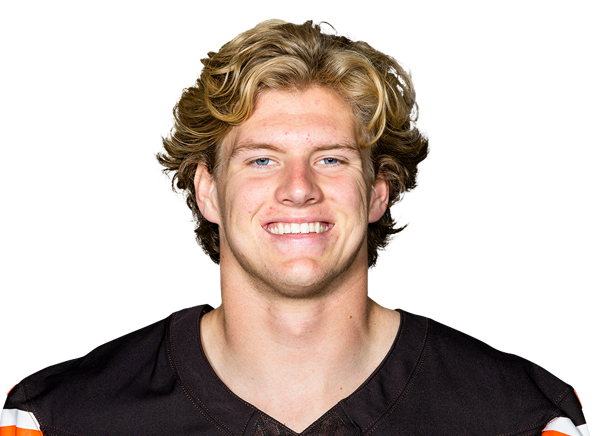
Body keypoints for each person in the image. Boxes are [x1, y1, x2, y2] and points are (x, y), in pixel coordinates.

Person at [1, 18, 588, 436]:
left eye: (331, 158)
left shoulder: (525, 418)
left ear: (378, 191)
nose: (299, 188)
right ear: (208, 191)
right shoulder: (58, 419)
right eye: (261, 160)